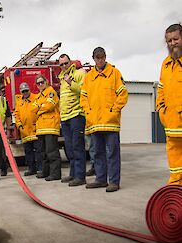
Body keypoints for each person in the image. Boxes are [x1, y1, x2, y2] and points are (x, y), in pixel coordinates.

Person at [80, 47, 128, 192]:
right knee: (97, 153)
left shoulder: (114, 73)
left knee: (112, 153)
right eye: (97, 57)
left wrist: (114, 111)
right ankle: (101, 179)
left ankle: (114, 181)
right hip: (94, 123)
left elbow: (123, 94)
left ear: (105, 57)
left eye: (102, 57)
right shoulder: (88, 77)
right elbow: (83, 97)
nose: (100, 60)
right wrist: (88, 112)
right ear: (93, 59)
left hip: (110, 122)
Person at [156, 23, 182, 185]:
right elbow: (161, 90)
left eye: (176, 39)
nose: (173, 43)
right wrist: (161, 110)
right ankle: (174, 187)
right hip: (171, 123)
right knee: (174, 157)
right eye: (169, 40)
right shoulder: (165, 64)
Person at [58, 54, 87, 186]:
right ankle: (73, 174)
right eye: (61, 64)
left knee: (77, 147)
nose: (64, 66)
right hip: (65, 118)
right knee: (69, 148)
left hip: (76, 115)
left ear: (71, 62)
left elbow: (84, 91)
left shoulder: (80, 73)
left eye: (66, 63)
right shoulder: (62, 78)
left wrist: (71, 82)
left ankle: (80, 177)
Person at [32, 74, 61, 181]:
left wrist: (40, 107)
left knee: (51, 152)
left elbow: (49, 106)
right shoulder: (38, 96)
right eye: (38, 83)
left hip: (51, 127)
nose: (40, 84)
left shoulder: (51, 92)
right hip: (40, 128)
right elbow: (32, 109)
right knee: (43, 153)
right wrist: (41, 106)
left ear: (46, 82)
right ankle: (45, 172)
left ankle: (55, 174)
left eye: (42, 82)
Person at [14, 82, 42, 176]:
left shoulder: (36, 98)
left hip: (36, 130)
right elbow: (16, 116)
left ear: (29, 90)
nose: (25, 93)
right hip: (25, 132)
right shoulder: (19, 103)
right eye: (23, 91)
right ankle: (31, 169)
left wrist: (38, 124)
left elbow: (40, 111)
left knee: (39, 151)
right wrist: (20, 126)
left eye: (26, 90)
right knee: (28, 152)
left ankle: (40, 169)